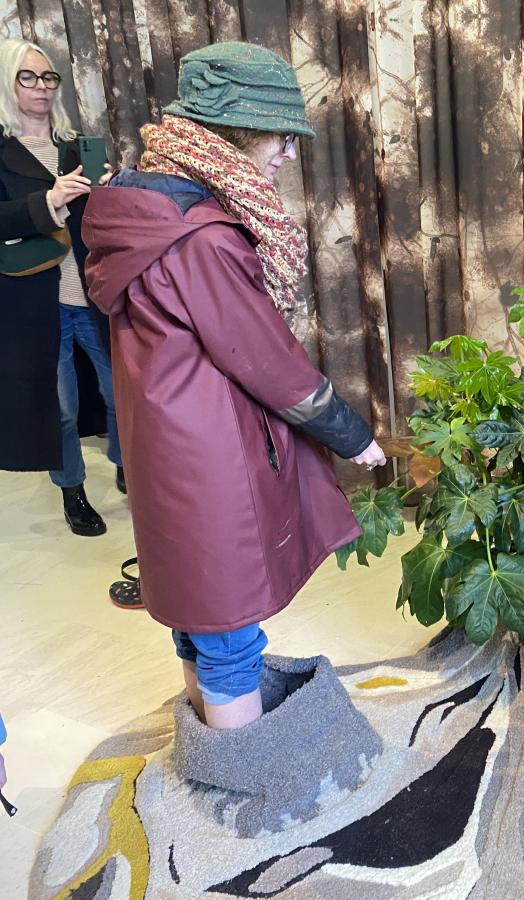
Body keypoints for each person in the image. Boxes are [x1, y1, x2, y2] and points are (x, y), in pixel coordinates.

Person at [82, 42, 386, 731]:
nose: (286, 153)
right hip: (209, 452)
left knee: (197, 609)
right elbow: (267, 363)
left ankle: (211, 742)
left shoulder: (142, 210)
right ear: (241, 132)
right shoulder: (200, 237)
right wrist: (352, 436)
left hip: (166, 444)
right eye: (281, 136)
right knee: (226, 624)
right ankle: (242, 774)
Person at [0, 38, 122, 536]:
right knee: (63, 408)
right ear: (8, 83)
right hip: (35, 302)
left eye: (48, 77)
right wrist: (48, 198)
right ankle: (72, 489)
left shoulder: (77, 146)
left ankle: (125, 461)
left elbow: (100, 225)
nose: (41, 87)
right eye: (27, 77)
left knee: (122, 394)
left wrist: (109, 195)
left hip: (92, 294)